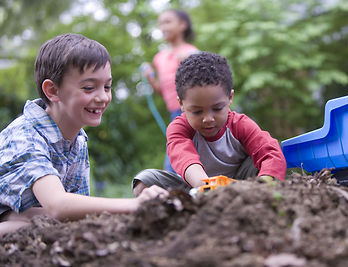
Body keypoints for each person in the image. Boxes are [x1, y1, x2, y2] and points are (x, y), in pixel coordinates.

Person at [0, 33, 168, 236]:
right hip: (9, 217)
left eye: (107, 86)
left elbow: (78, 209)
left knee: (52, 222)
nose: (103, 97)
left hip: (31, 215)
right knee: (30, 225)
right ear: (52, 90)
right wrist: (136, 205)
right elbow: (58, 205)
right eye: (89, 88)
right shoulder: (26, 136)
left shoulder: (77, 139)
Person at [132, 52, 287, 196]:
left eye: (217, 108)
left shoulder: (240, 124)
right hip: (197, 189)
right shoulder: (178, 128)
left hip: (244, 185)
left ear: (230, 98)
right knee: (144, 180)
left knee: (266, 161)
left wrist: (263, 185)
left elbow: (271, 153)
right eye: (197, 112)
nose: (208, 119)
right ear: (182, 104)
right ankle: (179, 214)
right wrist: (207, 187)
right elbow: (185, 158)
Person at [142, 9, 198, 172]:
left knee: (176, 157)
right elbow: (163, 91)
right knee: (179, 155)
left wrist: (189, 62)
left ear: (182, 25)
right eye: (160, 24)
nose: (163, 27)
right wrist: (151, 79)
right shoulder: (159, 58)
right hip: (174, 112)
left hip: (193, 111)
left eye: (167, 22)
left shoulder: (191, 51)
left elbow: (203, 85)